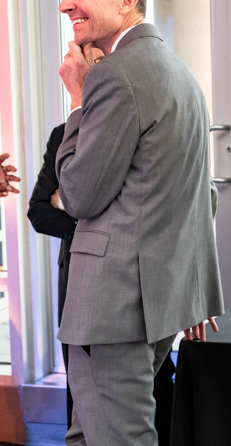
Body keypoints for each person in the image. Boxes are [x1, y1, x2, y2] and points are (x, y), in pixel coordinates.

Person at [55, 0, 223, 446]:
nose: (66, 5)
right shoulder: (177, 72)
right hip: (154, 302)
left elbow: (79, 194)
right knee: (91, 436)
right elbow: (202, 197)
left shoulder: (115, 73)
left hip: (114, 309)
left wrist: (78, 103)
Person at [27, 122, 175, 445]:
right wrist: (90, 216)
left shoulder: (142, 128)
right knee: (82, 395)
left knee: (154, 387)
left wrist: (68, 202)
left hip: (139, 284)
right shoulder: (63, 134)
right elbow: (38, 211)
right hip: (79, 284)